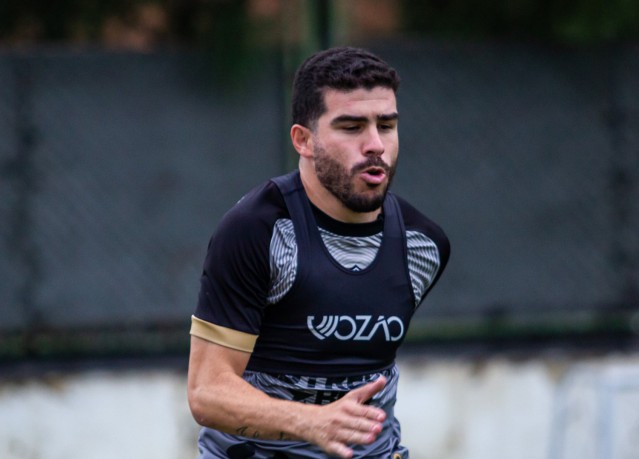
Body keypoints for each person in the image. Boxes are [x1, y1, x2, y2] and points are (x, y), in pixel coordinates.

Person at [187, 46, 450, 459]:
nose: (375, 144)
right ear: (304, 140)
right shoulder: (258, 231)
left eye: (386, 125)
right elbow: (207, 393)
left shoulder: (424, 245)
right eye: (351, 127)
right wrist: (310, 421)